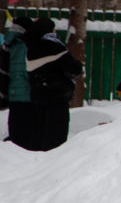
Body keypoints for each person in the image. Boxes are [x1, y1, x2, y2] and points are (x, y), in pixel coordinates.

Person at [24, 17, 83, 151]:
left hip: (37, 98)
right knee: (56, 139)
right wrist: (78, 65)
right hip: (57, 98)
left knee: (39, 134)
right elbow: (72, 68)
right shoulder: (55, 46)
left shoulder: (31, 50)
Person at [0, 16, 38, 150]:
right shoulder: (24, 46)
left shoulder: (10, 44)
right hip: (26, 95)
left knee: (16, 128)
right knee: (25, 134)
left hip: (13, 94)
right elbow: (25, 71)